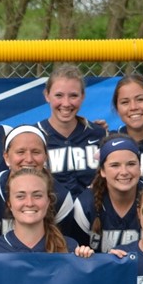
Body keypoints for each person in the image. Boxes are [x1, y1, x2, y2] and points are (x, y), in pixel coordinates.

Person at [0, 125, 75, 249]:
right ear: (6, 157)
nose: (28, 159)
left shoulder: (62, 196)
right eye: (20, 152)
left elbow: (63, 248)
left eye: (36, 152)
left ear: (45, 156)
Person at [0, 168, 94, 257]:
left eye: (37, 195)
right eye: (20, 196)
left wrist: (87, 261)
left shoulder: (70, 248)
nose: (29, 203)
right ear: (9, 204)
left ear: (48, 201)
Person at [36, 64, 108, 196]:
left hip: (91, 212)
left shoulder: (98, 134)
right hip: (50, 213)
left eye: (73, 96)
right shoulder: (34, 137)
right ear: (47, 95)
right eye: (59, 95)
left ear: (83, 96)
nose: (66, 103)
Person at [69, 135, 143, 253]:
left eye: (131, 164)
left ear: (140, 167)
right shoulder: (85, 204)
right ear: (102, 171)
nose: (124, 172)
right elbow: (77, 255)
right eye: (115, 165)